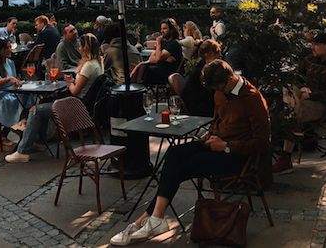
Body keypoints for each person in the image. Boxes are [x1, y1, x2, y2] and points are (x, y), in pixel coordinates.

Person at [110, 60, 270, 245]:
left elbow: (262, 143)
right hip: (215, 145)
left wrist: (226, 145)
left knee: (181, 168)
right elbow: (217, 121)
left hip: (236, 156)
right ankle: (153, 218)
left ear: (228, 81)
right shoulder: (220, 92)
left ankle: (146, 220)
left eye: (218, 88)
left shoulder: (252, 99)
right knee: (174, 153)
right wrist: (209, 135)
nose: (216, 92)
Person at [5, 33, 104, 162]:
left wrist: (69, 82)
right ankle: (39, 141)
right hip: (84, 105)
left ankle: (23, 151)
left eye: (81, 46)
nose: (79, 48)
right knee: (41, 106)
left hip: (76, 107)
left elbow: (74, 91)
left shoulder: (88, 66)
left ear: (85, 48)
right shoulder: (98, 63)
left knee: (36, 110)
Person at [273, 32, 326, 174]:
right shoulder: (309, 60)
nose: (312, 47)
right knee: (286, 92)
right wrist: (302, 88)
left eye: (316, 44)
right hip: (302, 100)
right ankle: (284, 148)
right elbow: (295, 77)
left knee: (289, 113)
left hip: (322, 105)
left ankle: (285, 157)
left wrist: (312, 95)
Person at [179, 39, 221, 117]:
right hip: (197, 106)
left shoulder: (202, 66)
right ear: (207, 54)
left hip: (196, 102)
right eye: (217, 52)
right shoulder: (203, 70)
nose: (220, 55)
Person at [137, 19, 183, 86]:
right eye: (161, 29)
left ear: (171, 30)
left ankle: (139, 88)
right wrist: (164, 58)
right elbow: (152, 57)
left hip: (169, 72)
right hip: (160, 68)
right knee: (142, 66)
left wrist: (158, 43)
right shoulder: (164, 42)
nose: (162, 31)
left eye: (164, 29)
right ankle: (138, 86)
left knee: (146, 69)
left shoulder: (174, 43)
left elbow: (158, 58)